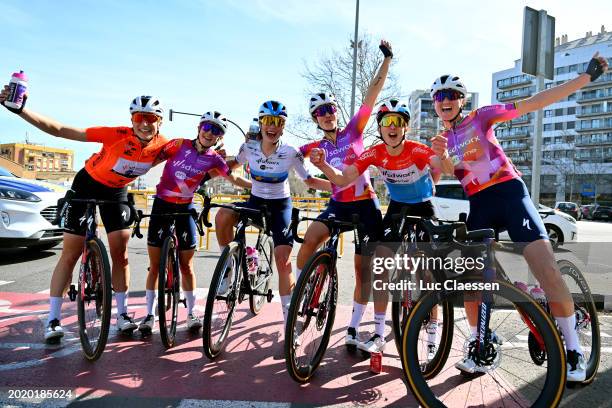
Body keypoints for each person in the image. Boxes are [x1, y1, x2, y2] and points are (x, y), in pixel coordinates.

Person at [429, 53, 609, 381]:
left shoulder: (480, 118)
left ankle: (573, 351)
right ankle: (480, 343)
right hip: (479, 205)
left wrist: (585, 78)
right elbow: (439, 174)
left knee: (546, 269)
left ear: (462, 100)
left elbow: (532, 102)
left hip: (510, 195)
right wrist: (439, 157)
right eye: (440, 97)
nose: (446, 101)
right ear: (434, 104)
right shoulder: (443, 141)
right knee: (471, 281)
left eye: (452, 95)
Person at [0, 89, 169, 342]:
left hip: (116, 192)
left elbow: (195, 155)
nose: (145, 123)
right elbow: (60, 130)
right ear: (131, 119)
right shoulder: (114, 135)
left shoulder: (162, 146)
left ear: (160, 121)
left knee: (120, 253)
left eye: (151, 118)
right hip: (86, 184)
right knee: (71, 253)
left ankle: (122, 314)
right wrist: (21, 110)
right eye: (139, 117)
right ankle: (53, 320)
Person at [310, 98, 453, 354]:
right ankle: (378, 334)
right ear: (380, 128)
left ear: (405, 127)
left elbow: (447, 169)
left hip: (424, 206)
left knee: (429, 272)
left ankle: (434, 327)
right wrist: (322, 165)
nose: (392, 126)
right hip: (397, 208)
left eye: (398, 121)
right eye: (387, 121)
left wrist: (442, 154)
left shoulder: (417, 149)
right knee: (380, 268)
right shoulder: (375, 153)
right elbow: (343, 178)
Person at [298, 40, 392, 351]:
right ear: (315, 119)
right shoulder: (315, 147)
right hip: (338, 205)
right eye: (320, 112)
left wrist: (386, 61)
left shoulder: (354, 130)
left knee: (365, 271)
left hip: (365, 206)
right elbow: (284, 155)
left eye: (330, 109)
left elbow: (372, 93)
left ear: (337, 112)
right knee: (311, 238)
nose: (326, 115)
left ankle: (359, 328)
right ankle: (303, 289)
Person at [215, 100, 330, 326]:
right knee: (222, 215)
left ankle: (289, 317)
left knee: (282, 260)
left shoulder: (291, 153)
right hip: (256, 201)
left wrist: (339, 186)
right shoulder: (248, 148)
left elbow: (309, 181)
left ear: (283, 127)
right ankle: (229, 268)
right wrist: (212, 159)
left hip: (280, 206)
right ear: (261, 122)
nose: (272, 126)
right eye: (268, 121)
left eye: (278, 122)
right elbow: (231, 167)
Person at [139, 111, 252, 333]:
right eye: (207, 128)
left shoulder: (214, 159)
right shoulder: (178, 145)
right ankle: (149, 315)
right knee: (154, 267)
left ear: (220, 137)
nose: (210, 133)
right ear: (199, 128)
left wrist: (258, 187)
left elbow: (233, 177)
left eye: (217, 131)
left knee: (186, 265)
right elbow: (150, 161)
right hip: (162, 205)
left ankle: (191, 312)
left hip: (185, 209)